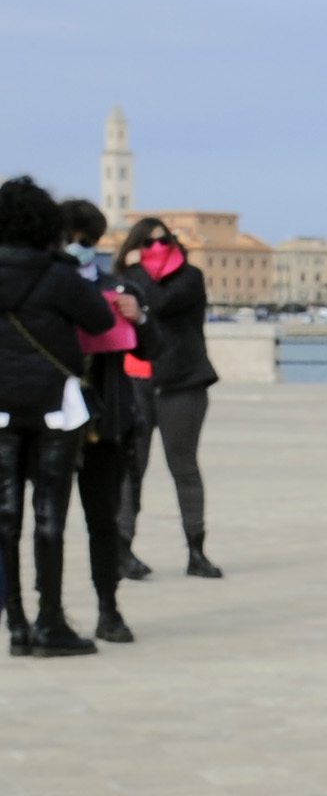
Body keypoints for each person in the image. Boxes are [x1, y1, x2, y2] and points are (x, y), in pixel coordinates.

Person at [0, 176, 117, 657]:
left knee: (6, 517)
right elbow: (101, 321)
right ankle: (51, 621)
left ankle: (16, 624)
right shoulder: (59, 274)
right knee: (51, 514)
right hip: (55, 405)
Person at [114, 215, 222, 577]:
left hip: (183, 383)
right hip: (137, 383)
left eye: (164, 241)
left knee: (184, 467)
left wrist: (136, 272)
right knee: (132, 469)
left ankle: (196, 551)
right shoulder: (125, 281)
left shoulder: (189, 278)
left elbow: (158, 302)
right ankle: (122, 550)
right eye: (148, 243)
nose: (157, 249)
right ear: (135, 247)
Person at [58, 199, 143, 644]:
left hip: (105, 417)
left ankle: (108, 607)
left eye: (85, 241)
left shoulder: (119, 288)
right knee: (44, 517)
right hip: (53, 418)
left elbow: (149, 347)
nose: (78, 248)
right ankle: (43, 613)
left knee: (103, 519)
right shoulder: (44, 288)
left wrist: (138, 319)